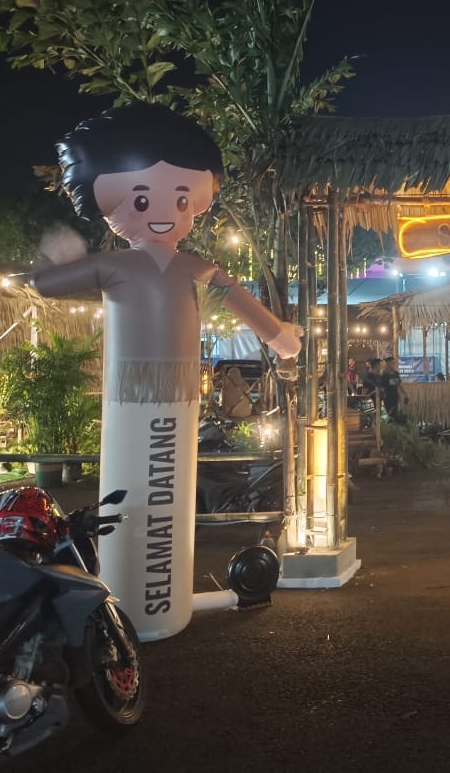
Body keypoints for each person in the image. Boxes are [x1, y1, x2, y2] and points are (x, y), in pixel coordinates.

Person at [28, 103, 302, 642]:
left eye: (182, 200)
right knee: (140, 499)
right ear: (106, 202)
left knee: (164, 498)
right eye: (141, 199)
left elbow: (239, 297)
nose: (163, 212)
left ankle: (158, 605)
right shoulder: (116, 265)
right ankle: (133, 609)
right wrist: (54, 262)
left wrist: (278, 335)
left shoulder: (192, 266)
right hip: (132, 397)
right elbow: (43, 284)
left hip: (177, 397)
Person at [379, 356, 408, 424]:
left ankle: (396, 425)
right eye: (392, 363)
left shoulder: (396, 373)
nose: (394, 365)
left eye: (394, 363)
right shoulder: (384, 375)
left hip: (395, 396)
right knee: (390, 413)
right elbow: (381, 387)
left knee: (396, 412)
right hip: (387, 397)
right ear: (388, 364)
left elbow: (399, 385)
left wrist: (405, 394)